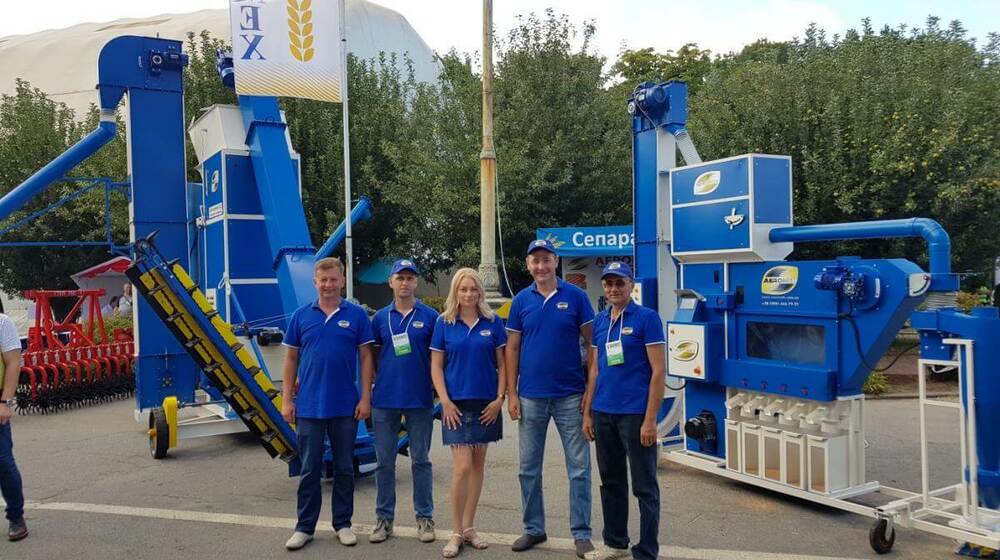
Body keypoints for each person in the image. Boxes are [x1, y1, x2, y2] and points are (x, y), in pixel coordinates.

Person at [506, 239, 595, 558]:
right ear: (528, 265)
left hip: (571, 395)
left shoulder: (576, 296)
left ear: (556, 262)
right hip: (530, 396)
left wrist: (590, 392)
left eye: (546, 259)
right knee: (528, 468)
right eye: (535, 261)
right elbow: (512, 348)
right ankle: (533, 528)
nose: (541, 266)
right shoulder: (520, 301)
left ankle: (581, 533)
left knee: (579, 468)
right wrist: (511, 393)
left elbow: (593, 345)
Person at [281, 257, 375, 551]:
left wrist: (365, 397)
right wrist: (286, 400)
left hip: (346, 406)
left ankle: (343, 524)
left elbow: (366, 358)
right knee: (309, 469)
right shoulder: (300, 316)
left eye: (333, 279)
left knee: (344, 468)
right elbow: (291, 359)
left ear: (342, 281)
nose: (328, 285)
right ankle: (304, 528)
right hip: (308, 407)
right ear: (315, 282)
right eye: (323, 280)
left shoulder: (357, 316)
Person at [582, 261, 665, 560]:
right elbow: (594, 369)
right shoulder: (600, 320)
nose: (614, 288)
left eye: (620, 283)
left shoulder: (647, 319)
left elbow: (658, 371)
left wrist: (650, 419)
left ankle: (646, 551)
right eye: (609, 283)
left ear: (631, 285)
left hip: (635, 414)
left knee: (644, 486)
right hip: (604, 412)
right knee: (611, 481)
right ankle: (615, 543)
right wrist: (588, 412)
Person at [429, 268, 506, 558]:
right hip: (455, 407)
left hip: (486, 405)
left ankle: (470, 528)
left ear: (480, 292)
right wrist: (444, 401)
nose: (469, 294)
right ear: (455, 291)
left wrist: (500, 399)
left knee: (477, 467)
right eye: (463, 289)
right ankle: (455, 532)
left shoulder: (492, 322)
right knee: (462, 467)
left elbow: (503, 364)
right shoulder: (444, 322)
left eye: (473, 289)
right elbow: (436, 366)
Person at [368, 259, 439, 544]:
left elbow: (438, 358)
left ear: (416, 282)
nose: (405, 283)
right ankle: (384, 519)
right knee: (384, 463)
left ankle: (425, 518)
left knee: (421, 461)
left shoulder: (430, 317)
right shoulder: (379, 318)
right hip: (384, 401)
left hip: (419, 399)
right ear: (391, 282)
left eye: (410, 278)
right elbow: (373, 357)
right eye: (400, 278)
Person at [0, 305, 27, 541]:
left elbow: (13, 362)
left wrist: (5, 401)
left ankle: (16, 516)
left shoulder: (2, 323)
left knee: (3, 464)